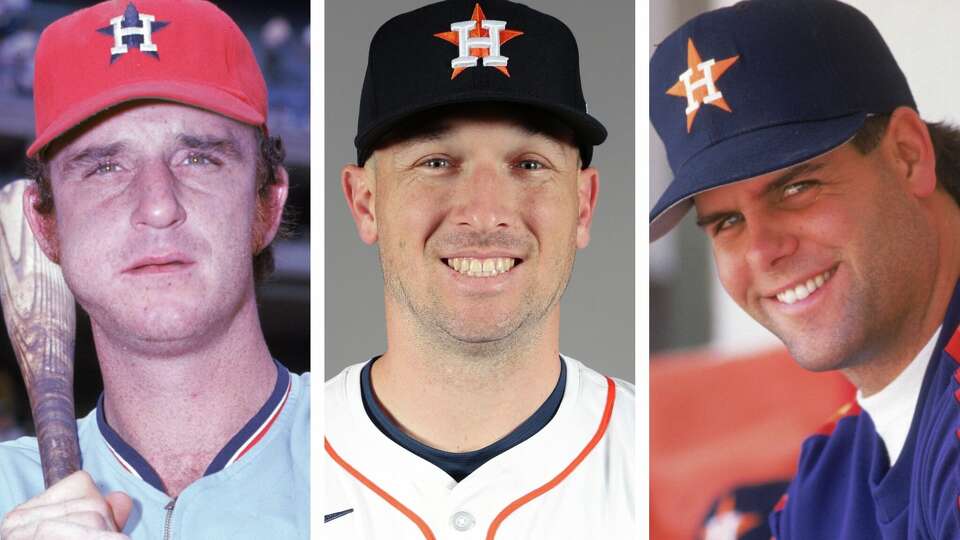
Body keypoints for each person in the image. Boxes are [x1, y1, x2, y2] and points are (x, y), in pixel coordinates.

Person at [324, 0, 635, 538]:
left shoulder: (654, 454)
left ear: (584, 205)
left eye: (529, 164)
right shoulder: (296, 458)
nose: (485, 212)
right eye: (437, 163)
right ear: (366, 202)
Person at [650, 0, 960, 537]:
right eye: (725, 222)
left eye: (796, 188)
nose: (761, 251)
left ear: (908, 156)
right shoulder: (837, 467)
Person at [0, 1, 309, 538]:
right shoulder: (9, 491)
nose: (158, 205)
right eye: (104, 167)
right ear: (43, 225)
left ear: (268, 203)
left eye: (199, 158)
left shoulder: (373, 462)